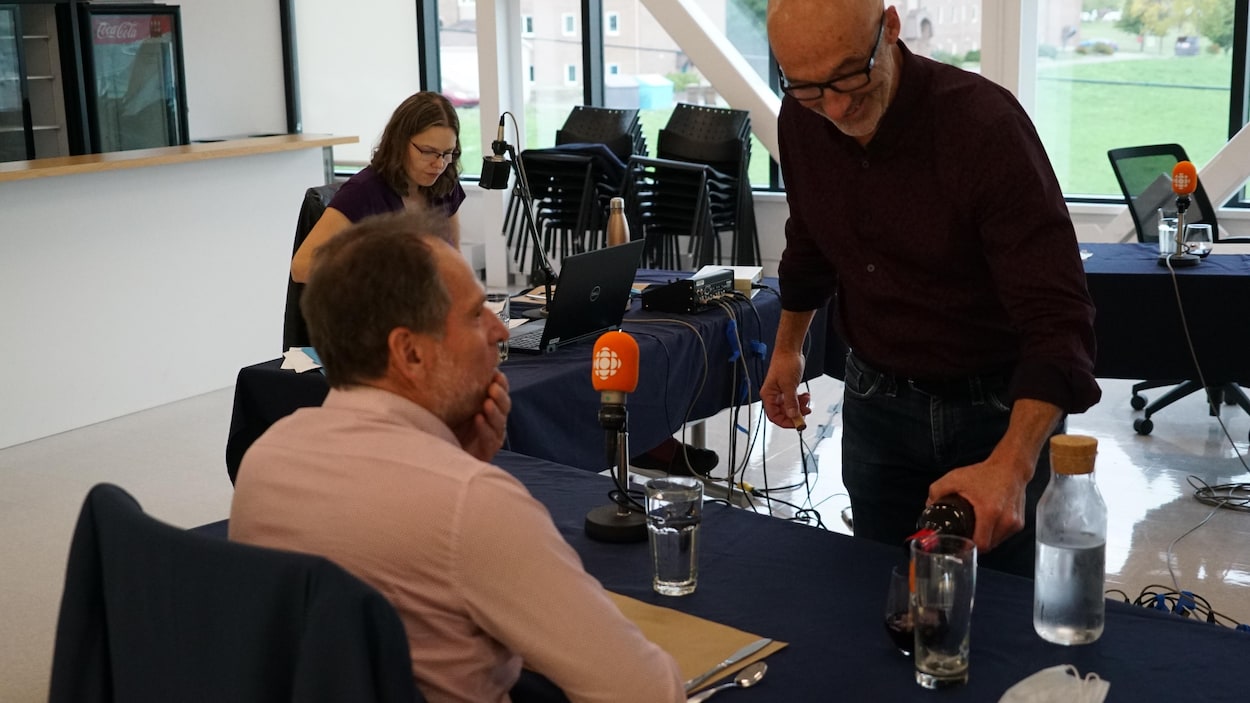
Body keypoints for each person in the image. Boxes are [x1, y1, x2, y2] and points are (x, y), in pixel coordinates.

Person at [231, 211, 684, 703]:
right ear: (410, 353)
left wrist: (455, 459)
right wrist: (466, 479)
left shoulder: (266, 461)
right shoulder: (472, 504)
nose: (501, 331)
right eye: (475, 314)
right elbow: (646, 691)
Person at [761, 0, 1101, 577]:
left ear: (891, 28)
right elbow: (810, 239)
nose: (836, 108)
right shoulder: (802, 118)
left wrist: (1013, 466)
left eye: (851, 76)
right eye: (809, 88)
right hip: (876, 405)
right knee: (879, 591)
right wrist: (788, 348)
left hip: (995, 411)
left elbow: (1058, 319)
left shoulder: (984, 127)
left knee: (1001, 607)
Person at [290, 91, 467, 283]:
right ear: (399, 143)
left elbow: (454, 256)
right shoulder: (362, 192)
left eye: (448, 153)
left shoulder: (445, 182)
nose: (439, 164)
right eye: (428, 152)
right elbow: (301, 266)